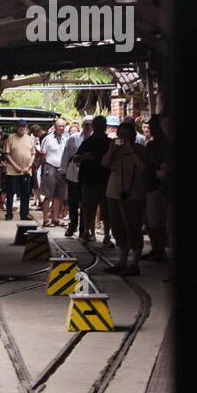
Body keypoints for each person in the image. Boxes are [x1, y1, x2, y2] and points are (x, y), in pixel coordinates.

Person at [103, 121, 148, 275]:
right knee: (118, 227)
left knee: (133, 227)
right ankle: (122, 261)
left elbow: (143, 167)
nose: (123, 137)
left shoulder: (140, 149)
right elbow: (104, 164)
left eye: (126, 134)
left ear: (133, 135)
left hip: (133, 193)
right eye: (120, 134)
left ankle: (135, 263)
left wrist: (130, 150)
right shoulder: (114, 149)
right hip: (114, 191)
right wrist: (111, 150)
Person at [75, 114, 112, 245]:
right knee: (88, 209)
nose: (99, 128)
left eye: (101, 126)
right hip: (89, 180)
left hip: (106, 181)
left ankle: (107, 235)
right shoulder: (87, 142)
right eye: (96, 125)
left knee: (106, 211)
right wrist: (85, 156)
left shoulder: (109, 143)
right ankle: (87, 232)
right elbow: (76, 158)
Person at [140, 114, 170, 262]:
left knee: (159, 222)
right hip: (150, 185)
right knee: (150, 222)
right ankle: (155, 248)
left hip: (160, 187)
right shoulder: (151, 144)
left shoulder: (166, 144)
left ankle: (160, 250)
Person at [39, 117, 70, 228]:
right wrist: (45, 169)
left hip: (62, 170)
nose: (61, 128)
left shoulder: (66, 139)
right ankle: (45, 219)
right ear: (55, 127)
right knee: (48, 195)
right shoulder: (48, 139)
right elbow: (42, 155)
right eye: (59, 126)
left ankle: (55, 218)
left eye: (63, 126)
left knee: (58, 196)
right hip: (50, 168)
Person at [2, 121, 36, 220]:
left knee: (25, 194)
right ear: (16, 127)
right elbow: (6, 154)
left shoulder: (30, 139)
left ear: (26, 127)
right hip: (12, 171)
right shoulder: (11, 138)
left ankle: (24, 214)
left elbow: (33, 154)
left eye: (23, 126)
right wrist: (15, 166)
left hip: (26, 171)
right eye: (20, 126)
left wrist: (29, 166)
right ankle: (9, 214)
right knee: (11, 193)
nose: (22, 128)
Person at [62, 118, 89, 237]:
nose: (88, 127)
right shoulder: (73, 138)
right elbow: (66, 155)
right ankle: (72, 225)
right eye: (86, 124)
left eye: (91, 124)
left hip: (88, 177)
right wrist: (63, 171)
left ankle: (84, 229)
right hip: (73, 175)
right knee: (73, 202)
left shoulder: (94, 140)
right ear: (82, 125)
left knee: (85, 204)